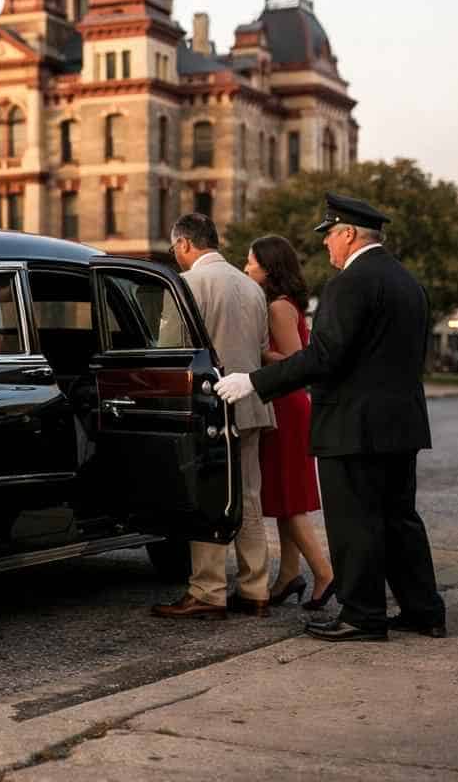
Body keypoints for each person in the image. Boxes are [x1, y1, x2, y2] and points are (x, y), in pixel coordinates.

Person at [216, 193, 446, 642]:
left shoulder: (350, 283)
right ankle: (424, 611)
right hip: (401, 423)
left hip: (353, 425)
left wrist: (255, 381)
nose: (326, 244)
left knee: (354, 523)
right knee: (400, 520)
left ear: (349, 234)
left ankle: (362, 615)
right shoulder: (407, 282)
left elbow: (323, 357)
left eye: (330, 235)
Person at [152, 213, 275, 621]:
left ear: (185, 244)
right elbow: (260, 347)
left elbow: (170, 350)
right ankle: (256, 589)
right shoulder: (251, 287)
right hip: (252, 403)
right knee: (249, 496)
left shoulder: (186, 284)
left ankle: (208, 590)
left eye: (175, 248)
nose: (176, 255)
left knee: (208, 495)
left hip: (208, 407)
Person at [244, 235, 335, 609]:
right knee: (285, 497)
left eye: (250, 262)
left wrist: (259, 353)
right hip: (286, 404)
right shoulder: (285, 304)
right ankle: (288, 575)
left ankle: (325, 574)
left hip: (286, 406)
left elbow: (296, 362)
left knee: (290, 501)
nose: (246, 268)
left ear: (269, 268)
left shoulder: (279, 307)